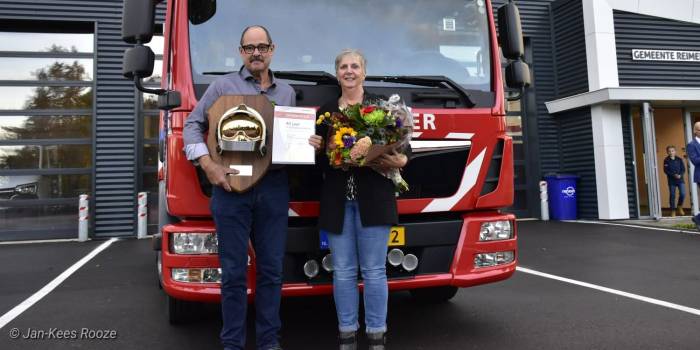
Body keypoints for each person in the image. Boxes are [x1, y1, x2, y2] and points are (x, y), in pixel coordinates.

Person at [183, 25, 294, 350]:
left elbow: (287, 139)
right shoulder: (222, 86)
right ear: (241, 51)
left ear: (272, 49)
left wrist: (309, 142)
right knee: (232, 273)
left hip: (274, 187)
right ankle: (232, 343)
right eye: (250, 47)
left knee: (272, 271)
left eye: (262, 47)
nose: (256, 52)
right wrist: (208, 165)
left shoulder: (286, 92)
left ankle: (268, 342)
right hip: (230, 189)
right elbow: (192, 125)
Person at [308, 49, 409, 350]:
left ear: (364, 72)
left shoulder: (381, 108)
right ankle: (347, 333)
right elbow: (320, 166)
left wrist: (399, 161)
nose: (349, 71)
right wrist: (316, 150)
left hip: (374, 199)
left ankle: (377, 333)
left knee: (376, 270)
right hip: (338, 201)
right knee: (343, 271)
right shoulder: (325, 112)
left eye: (355, 66)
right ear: (337, 73)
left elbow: (405, 149)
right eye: (343, 67)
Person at [663, 145, 686, 217]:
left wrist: (680, 175)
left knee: (683, 193)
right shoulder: (666, 160)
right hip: (671, 180)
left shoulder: (679, 159)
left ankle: (679, 206)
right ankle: (673, 210)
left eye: (672, 151)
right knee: (672, 195)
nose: (671, 152)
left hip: (680, 179)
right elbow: (666, 170)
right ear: (667, 152)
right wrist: (674, 175)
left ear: (675, 151)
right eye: (669, 151)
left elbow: (683, 169)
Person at [687, 122, 700, 230]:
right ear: (695, 131)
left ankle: (698, 219)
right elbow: (695, 160)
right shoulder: (691, 145)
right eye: (699, 130)